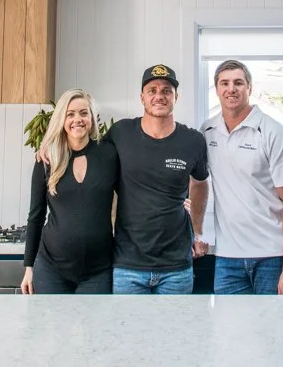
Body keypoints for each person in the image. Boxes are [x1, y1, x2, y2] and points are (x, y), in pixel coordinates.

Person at [201, 59, 283, 295]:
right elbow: (197, 182)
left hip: (272, 257)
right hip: (227, 258)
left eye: (238, 83)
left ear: (250, 88)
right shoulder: (206, 131)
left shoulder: (274, 132)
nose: (231, 89)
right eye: (224, 83)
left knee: (275, 330)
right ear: (216, 89)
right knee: (230, 331)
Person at [107, 64, 210, 294]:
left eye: (166, 90)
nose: (159, 96)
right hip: (128, 265)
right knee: (126, 331)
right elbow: (89, 160)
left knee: (173, 331)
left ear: (176, 97)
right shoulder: (120, 133)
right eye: (152, 90)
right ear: (142, 97)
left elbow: (201, 183)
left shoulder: (193, 140)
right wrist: (50, 146)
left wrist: (198, 230)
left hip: (176, 267)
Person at [22, 88, 119, 294]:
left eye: (84, 113)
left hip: (98, 270)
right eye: (70, 114)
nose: (78, 119)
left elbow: (133, 194)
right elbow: (36, 216)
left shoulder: (109, 154)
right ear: (61, 119)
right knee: (54, 327)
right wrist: (29, 267)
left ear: (92, 118)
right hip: (51, 269)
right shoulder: (47, 160)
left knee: (97, 327)